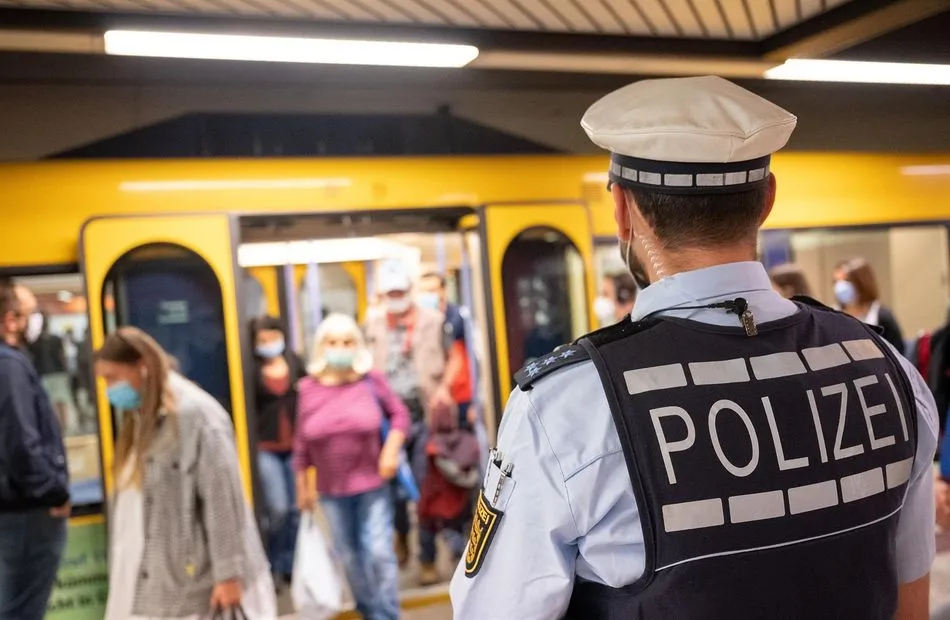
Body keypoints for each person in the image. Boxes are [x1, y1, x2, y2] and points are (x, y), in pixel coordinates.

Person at [450, 76, 937, 620]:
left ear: (623, 209)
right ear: (767, 200)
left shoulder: (565, 410)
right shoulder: (887, 369)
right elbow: (910, 603)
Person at [95, 326, 275, 620]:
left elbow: (221, 497)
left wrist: (229, 573)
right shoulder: (142, 416)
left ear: (142, 366)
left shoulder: (196, 416)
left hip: (197, 584)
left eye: (113, 377)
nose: (109, 389)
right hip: (165, 583)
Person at [294, 313, 408, 620]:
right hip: (331, 491)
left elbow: (400, 415)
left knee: (378, 552)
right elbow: (301, 444)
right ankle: (369, 610)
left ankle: (387, 614)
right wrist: (301, 488)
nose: (340, 348)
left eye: (347, 342)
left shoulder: (371, 381)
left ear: (357, 345)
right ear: (321, 346)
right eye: (333, 342)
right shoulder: (308, 389)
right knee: (348, 556)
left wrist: (390, 450)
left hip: (373, 484)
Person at [364, 260, 453, 576]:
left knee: (424, 486)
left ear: (409, 291)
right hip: (387, 421)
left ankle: (427, 557)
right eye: (390, 293)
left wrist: (444, 389)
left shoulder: (433, 321)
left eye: (400, 292)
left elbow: (453, 358)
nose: (396, 298)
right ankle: (400, 534)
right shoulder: (372, 324)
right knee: (392, 489)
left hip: (424, 417)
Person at [0, 280, 70, 620]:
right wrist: (53, 492)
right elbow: (20, 445)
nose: (34, 322)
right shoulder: (9, 366)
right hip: (26, 512)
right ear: (10, 320)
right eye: (29, 313)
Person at [250, 315, 305, 587]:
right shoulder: (250, 369)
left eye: (272, 337)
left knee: (296, 510)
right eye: (262, 340)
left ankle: (291, 565)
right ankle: (273, 561)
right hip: (266, 447)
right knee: (278, 509)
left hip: (295, 446)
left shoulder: (295, 362)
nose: (269, 343)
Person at [417, 272, 476, 429]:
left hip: (461, 396)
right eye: (423, 291)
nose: (427, 295)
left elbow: (472, 358)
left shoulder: (458, 317)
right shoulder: (420, 322)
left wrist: (476, 402)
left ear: (443, 290)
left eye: (432, 290)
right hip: (432, 398)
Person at [834, 257, 905, 354]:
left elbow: (898, 353)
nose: (840, 286)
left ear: (861, 282)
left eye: (846, 280)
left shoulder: (882, 316)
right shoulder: (833, 315)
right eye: (836, 281)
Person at [29, 313, 72, 431]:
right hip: (58, 372)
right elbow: (62, 356)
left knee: (51, 403)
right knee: (61, 401)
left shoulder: (35, 343)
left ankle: (57, 427)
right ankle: (63, 426)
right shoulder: (56, 339)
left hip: (43, 374)